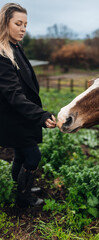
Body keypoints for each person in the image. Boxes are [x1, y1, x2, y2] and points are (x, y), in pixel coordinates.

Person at [0, 3, 56, 207]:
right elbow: (14, 95)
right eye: (18, 23)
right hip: (14, 117)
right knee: (32, 156)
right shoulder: (2, 54)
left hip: (22, 115)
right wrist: (40, 115)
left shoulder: (16, 47)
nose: (23, 28)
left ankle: (19, 187)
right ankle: (23, 198)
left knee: (21, 154)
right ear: (6, 23)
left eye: (25, 24)